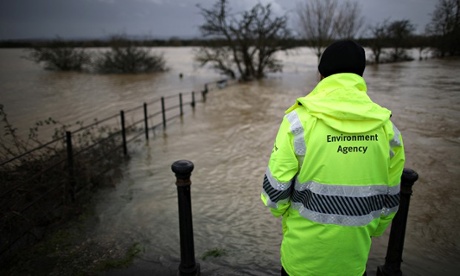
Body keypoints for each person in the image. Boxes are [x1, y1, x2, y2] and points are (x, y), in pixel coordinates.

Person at [261, 40, 405, 276]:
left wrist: (288, 216)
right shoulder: (387, 129)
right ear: (361, 74)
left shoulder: (297, 122)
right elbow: (390, 202)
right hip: (353, 262)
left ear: (321, 74)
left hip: (301, 261)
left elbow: (275, 196)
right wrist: (372, 227)